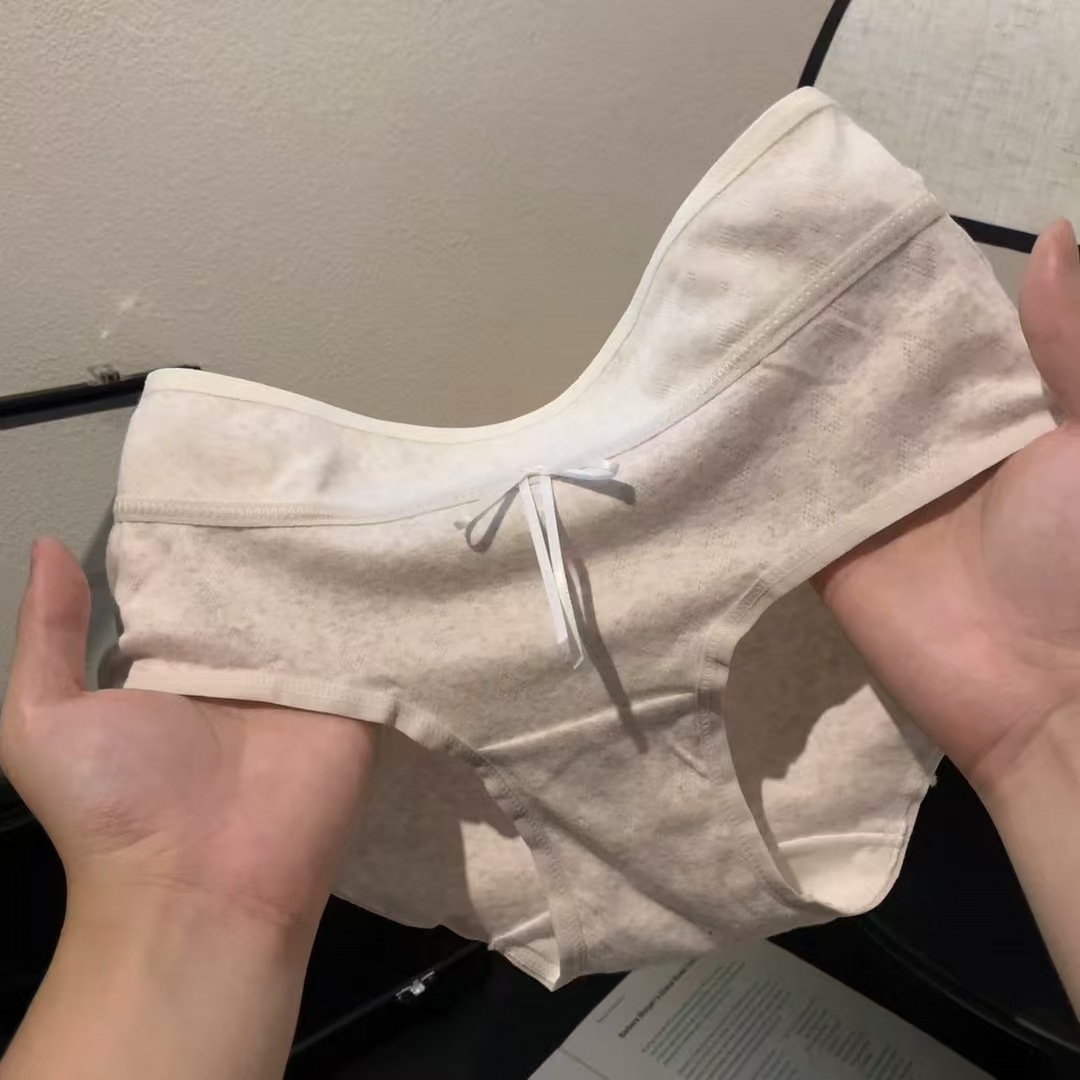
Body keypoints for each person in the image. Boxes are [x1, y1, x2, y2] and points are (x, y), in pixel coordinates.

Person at [2, 220, 1080, 1079]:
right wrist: (1055, 710)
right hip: (289, 626)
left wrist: (178, 901)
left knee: (206, 906)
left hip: (795, 434)